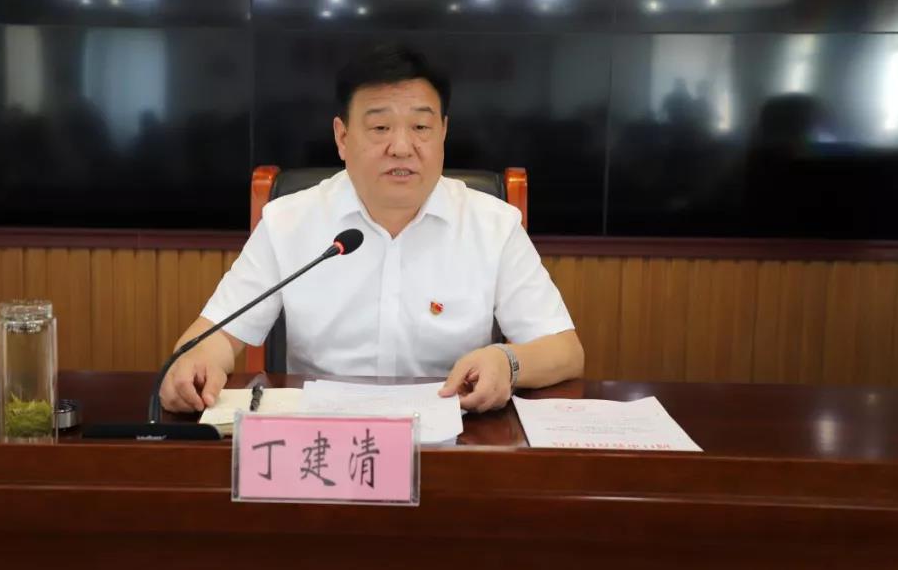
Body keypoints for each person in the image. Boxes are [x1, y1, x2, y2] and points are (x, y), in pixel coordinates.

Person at [160, 44, 583, 414]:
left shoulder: (493, 225)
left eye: (421, 127)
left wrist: (507, 361)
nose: (401, 147)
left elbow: (565, 352)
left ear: (443, 133)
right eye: (380, 128)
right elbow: (215, 336)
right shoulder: (288, 221)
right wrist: (195, 363)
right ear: (342, 137)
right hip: (320, 441)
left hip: (452, 437)